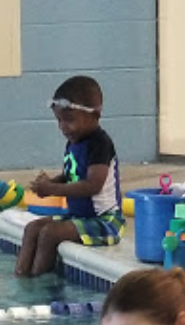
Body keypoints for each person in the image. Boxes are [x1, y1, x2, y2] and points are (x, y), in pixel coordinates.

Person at [14, 75, 124, 277]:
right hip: (78, 217)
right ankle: (21, 277)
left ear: (96, 115)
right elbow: (72, 175)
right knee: (32, 228)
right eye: (59, 120)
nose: (63, 127)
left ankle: (38, 287)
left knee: (49, 234)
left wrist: (53, 189)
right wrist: (50, 184)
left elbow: (93, 185)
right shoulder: (74, 140)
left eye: (69, 120)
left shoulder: (100, 143)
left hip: (104, 222)